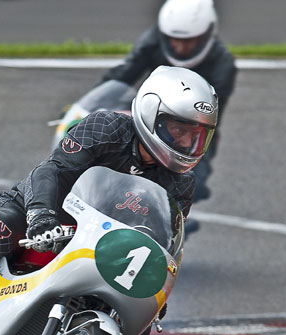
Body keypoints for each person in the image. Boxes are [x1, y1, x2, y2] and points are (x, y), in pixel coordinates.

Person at [0, 66, 218, 335]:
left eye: (196, 136)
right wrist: (40, 214)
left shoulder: (181, 183)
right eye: (178, 130)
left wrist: (156, 285)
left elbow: (163, 240)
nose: (187, 143)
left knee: (140, 323)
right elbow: (52, 171)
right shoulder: (107, 128)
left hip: (102, 246)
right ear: (150, 113)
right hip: (45, 213)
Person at [99, 0, 236, 231]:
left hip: (192, 127)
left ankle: (170, 217)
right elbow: (123, 74)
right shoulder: (151, 41)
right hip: (145, 111)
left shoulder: (223, 64)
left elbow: (210, 117)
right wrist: (94, 100)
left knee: (192, 173)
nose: (180, 48)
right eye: (174, 40)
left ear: (206, 35)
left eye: (188, 41)